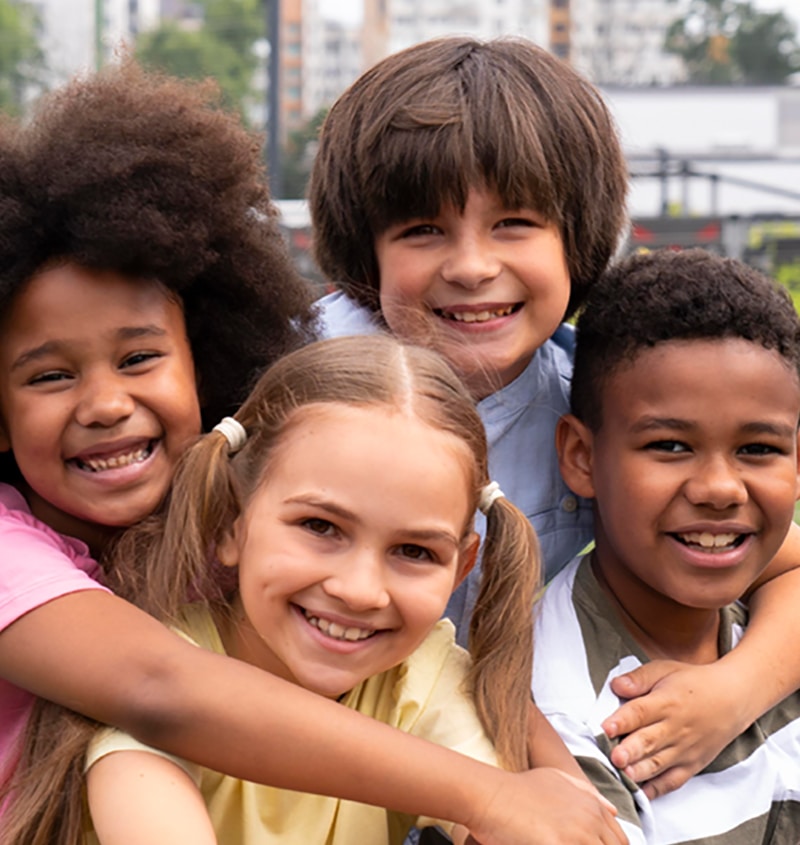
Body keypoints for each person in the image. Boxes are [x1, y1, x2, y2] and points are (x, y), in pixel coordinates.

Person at [0, 60, 620, 845]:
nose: (106, 404)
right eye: (50, 374)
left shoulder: (239, 522)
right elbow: (159, 690)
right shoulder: (39, 562)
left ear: (207, 355)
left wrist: (558, 794)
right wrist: (490, 796)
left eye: (138, 359)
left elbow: (457, 684)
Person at [308, 34, 800, 797]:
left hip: (500, 764)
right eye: (423, 229)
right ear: (364, 250)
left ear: (578, 237)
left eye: (514, 223)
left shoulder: (593, 404)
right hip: (302, 758)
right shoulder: (292, 385)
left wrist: (734, 692)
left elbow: (788, 562)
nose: (472, 265)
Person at [81, 334, 620, 845]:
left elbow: (520, 823)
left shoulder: (423, 677)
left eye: (414, 552)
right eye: (320, 527)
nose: (361, 592)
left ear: (460, 570)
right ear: (229, 523)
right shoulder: (158, 685)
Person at [533, 248, 800, 843]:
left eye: (758, 449)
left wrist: (738, 690)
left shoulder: (770, 626)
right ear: (581, 457)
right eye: (670, 446)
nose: (720, 490)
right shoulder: (566, 720)